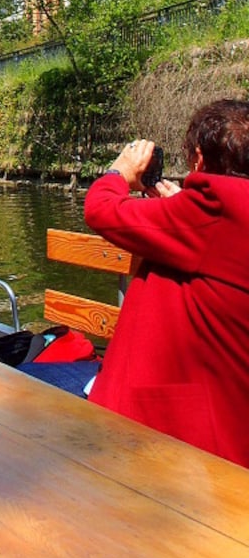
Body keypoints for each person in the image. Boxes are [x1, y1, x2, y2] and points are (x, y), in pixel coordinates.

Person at [83, 99, 249, 467]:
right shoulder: (220, 216)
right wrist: (181, 206)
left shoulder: (216, 209)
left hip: (177, 444)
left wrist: (118, 172)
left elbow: (100, 210)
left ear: (198, 160)